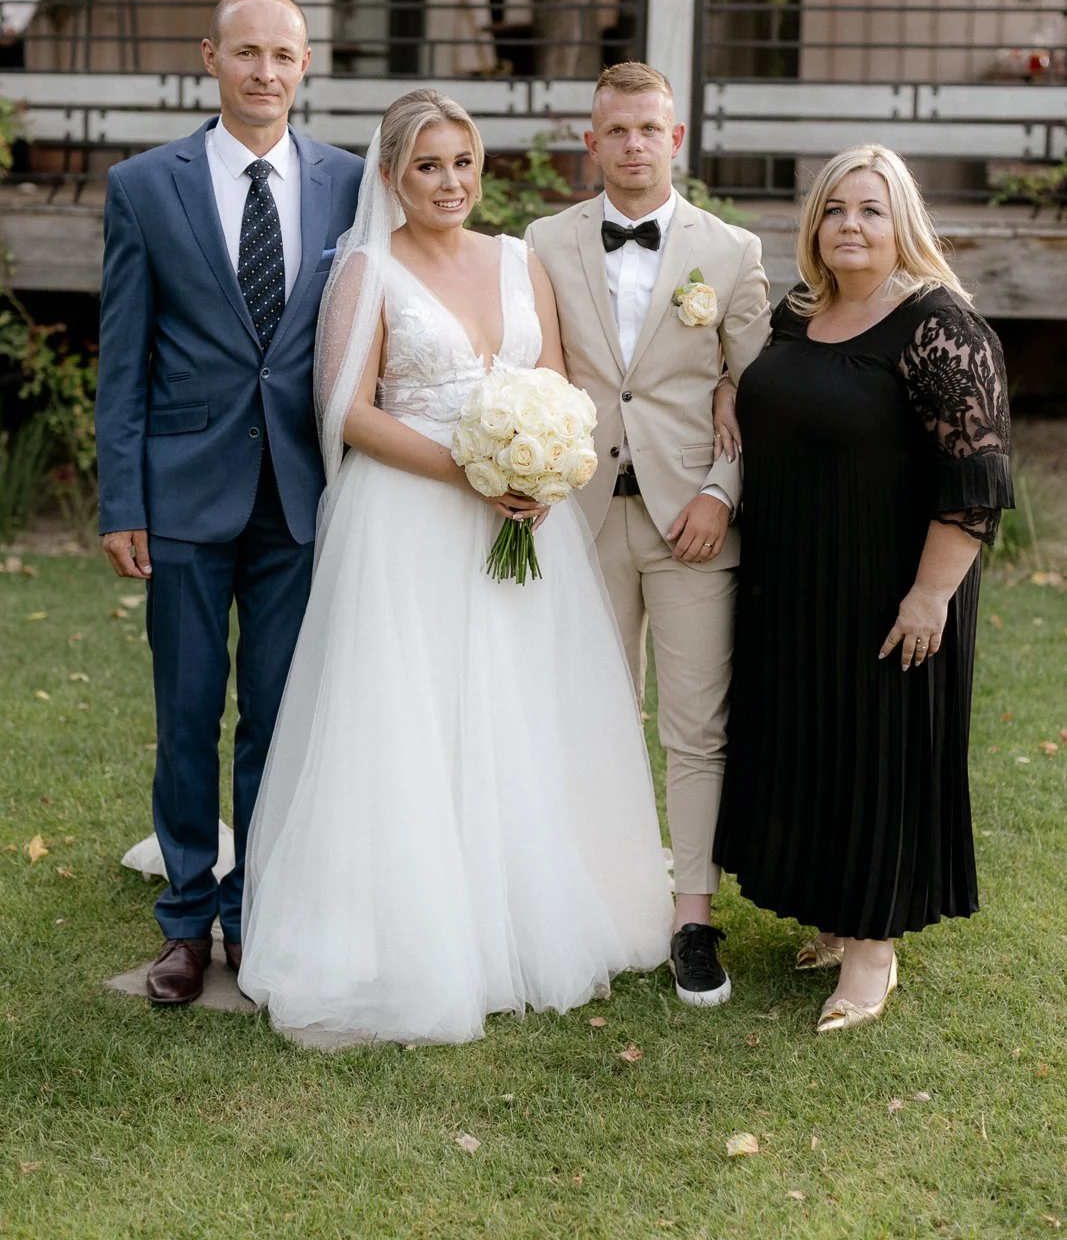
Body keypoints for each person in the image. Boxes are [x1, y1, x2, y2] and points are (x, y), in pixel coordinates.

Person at [239, 88, 672, 1047]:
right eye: (427, 166)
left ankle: (522, 911)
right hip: (407, 522)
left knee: (515, 707)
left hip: (523, 523)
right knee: (415, 714)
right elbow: (345, 410)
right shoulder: (366, 268)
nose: (449, 183)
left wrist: (546, 468)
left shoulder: (520, 260)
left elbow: (556, 382)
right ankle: (417, 928)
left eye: (463, 163)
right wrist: (472, 471)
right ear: (392, 176)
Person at [96, 0, 363, 1006]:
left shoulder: (350, 182)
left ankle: (254, 912)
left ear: (306, 65)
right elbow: (124, 355)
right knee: (186, 711)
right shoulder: (143, 186)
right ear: (210, 57)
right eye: (246, 52)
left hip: (301, 492)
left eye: (282, 56)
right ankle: (184, 920)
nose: (264, 72)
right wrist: (122, 499)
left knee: (277, 718)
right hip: (181, 494)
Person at [713, 144, 1013, 1032]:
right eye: (835, 210)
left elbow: (974, 478)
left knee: (879, 755)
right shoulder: (800, 311)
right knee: (811, 747)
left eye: (870, 210)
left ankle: (872, 950)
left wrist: (929, 596)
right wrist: (731, 391)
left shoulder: (938, 326)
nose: (850, 225)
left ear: (901, 224)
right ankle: (833, 916)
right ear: (814, 227)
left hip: (891, 586)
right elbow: (778, 395)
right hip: (793, 582)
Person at [526, 62, 771, 1008]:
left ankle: (691, 916)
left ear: (675, 140)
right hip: (577, 515)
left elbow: (758, 390)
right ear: (590, 142)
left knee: (695, 727)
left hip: (689, 523)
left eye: (648, 130)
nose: (633, 145)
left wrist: (720, 492)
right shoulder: (544, 242)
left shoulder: (731, 251)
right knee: (593, 712)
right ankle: (598, 896)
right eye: (615, 130)